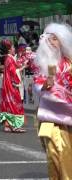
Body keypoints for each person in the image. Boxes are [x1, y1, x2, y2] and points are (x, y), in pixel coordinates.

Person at [33, 23, 72, 179]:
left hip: (68, 115)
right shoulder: (42, 64)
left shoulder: (69, 63)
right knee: (55, 153)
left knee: (66, 154)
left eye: (56, 39)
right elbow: (37, 86)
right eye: (50, 39)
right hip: (48, 117)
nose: (52, 42)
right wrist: (45, 85)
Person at [0, 39, 26, 133]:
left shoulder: (7, 58)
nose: (14, 49)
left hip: (6, 85)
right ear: (9, 49)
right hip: (11, 85)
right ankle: (15, 126)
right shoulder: (10, 59)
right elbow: (14, 72)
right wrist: (23, 67)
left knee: (7, 104)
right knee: (15, 104)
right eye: (13, 47)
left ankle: (7, 125)